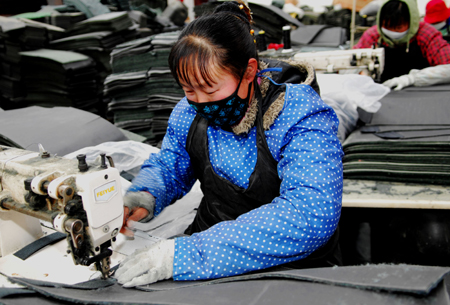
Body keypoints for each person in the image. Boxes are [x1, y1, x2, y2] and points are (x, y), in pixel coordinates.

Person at [115, 1, 343, 287]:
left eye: (210, 89)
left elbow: (311, 213)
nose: (200, 101)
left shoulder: (296, 113)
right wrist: (144, 194)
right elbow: (172, 164)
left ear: (249, 71)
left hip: (294, 268)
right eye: (189, 90)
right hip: (208, 257)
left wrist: (184, 256)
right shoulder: (189, 112)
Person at [354, 0, 450, 90]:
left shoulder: (426, 34)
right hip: (383, 94)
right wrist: (360, 74)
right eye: (387, 27)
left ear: (411, 22)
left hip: (422, 94)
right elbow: (349, 64)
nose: (392, 31)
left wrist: (412, 79)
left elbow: (448, 68)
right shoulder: (372, 36)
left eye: (398, 27)